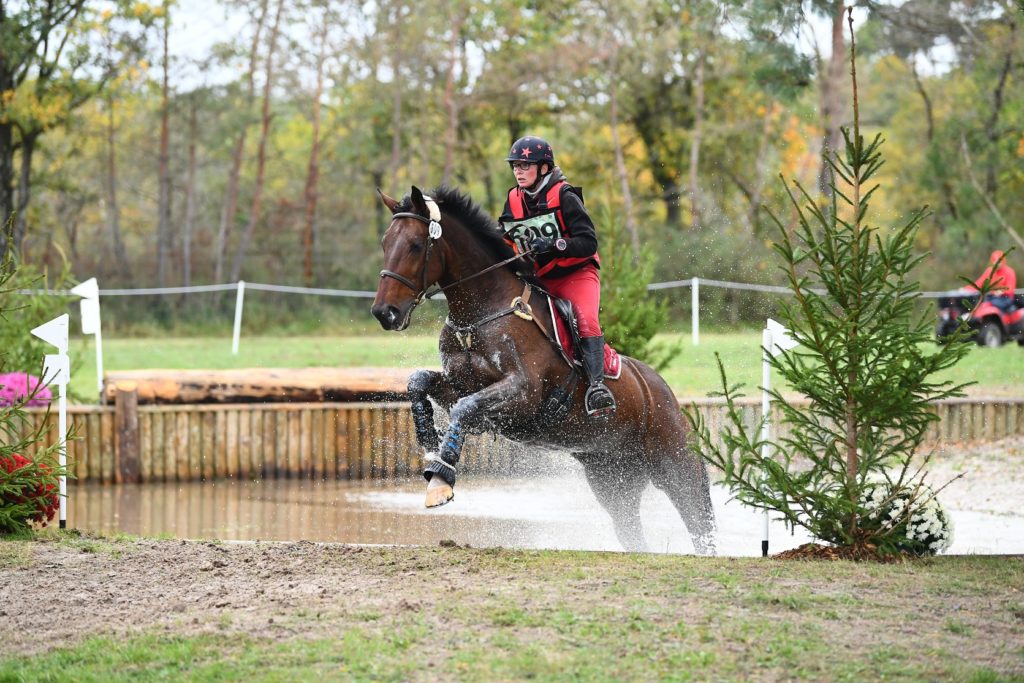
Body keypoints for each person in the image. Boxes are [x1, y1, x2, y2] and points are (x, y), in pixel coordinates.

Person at [497, 135, 616, 417]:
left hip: (576, 273)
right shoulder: (513, 199)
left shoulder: (565, 195)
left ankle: (597, 387)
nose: (518, 171)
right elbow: (504, 237)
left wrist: (555, 244)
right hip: (540, 277)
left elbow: (589, 242)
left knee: (584, 320)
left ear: (544, 168)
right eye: (515, 165)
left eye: (526, 165)